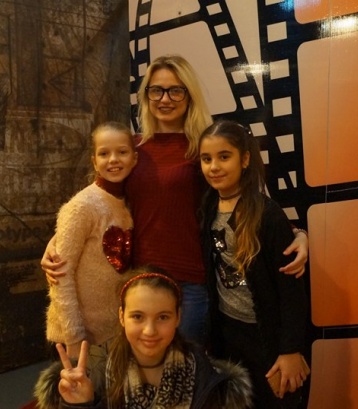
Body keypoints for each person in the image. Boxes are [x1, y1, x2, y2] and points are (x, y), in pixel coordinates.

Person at [41, 54, 309, 345]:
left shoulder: (202, 149)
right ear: (146, 95)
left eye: (175, 90)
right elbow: (103, 200)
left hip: (190, 283)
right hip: (140, 280)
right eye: (156, 90)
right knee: (146, 369)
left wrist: (296, 233)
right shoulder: (132, 148)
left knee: (185, 366)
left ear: (189, 94)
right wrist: (59, 240)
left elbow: (242, 200)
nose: (165, 99)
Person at [198, 120, 310, 408]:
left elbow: (291, 290)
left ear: (245, 159)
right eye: (206, 159)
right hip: (227, 334)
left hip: (266, 336)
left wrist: (291, 349)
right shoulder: (207, 207)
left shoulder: (267, 214)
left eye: (224, 157)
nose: (214, 167)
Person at [34, 269, 254, 409]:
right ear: (122, 316)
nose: (150, 331)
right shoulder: (98, 370)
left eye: (163, 317)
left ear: (178, 317)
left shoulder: (200, 371)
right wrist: (81, 404)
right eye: (138, 316)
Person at [44, 121, 137, 360]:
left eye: (122, 152)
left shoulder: (131, 202)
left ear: (134, 158)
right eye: (104, 154)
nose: (113, 159)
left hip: (115, 331)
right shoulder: (82, 206)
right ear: (94, 161)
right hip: (80, 336)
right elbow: (61, 276)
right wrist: (74, 337)